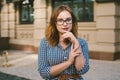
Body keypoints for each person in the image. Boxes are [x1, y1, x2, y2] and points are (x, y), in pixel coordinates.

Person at [38, 5, 89, 80]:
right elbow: (43, 72)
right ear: (54, 23)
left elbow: (82, 70)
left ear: (72, 21)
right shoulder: (45, 42)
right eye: (60, 20)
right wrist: (69, 62)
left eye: (68, 19)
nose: (65, 24)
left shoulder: (82, 43)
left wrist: (75, 42)